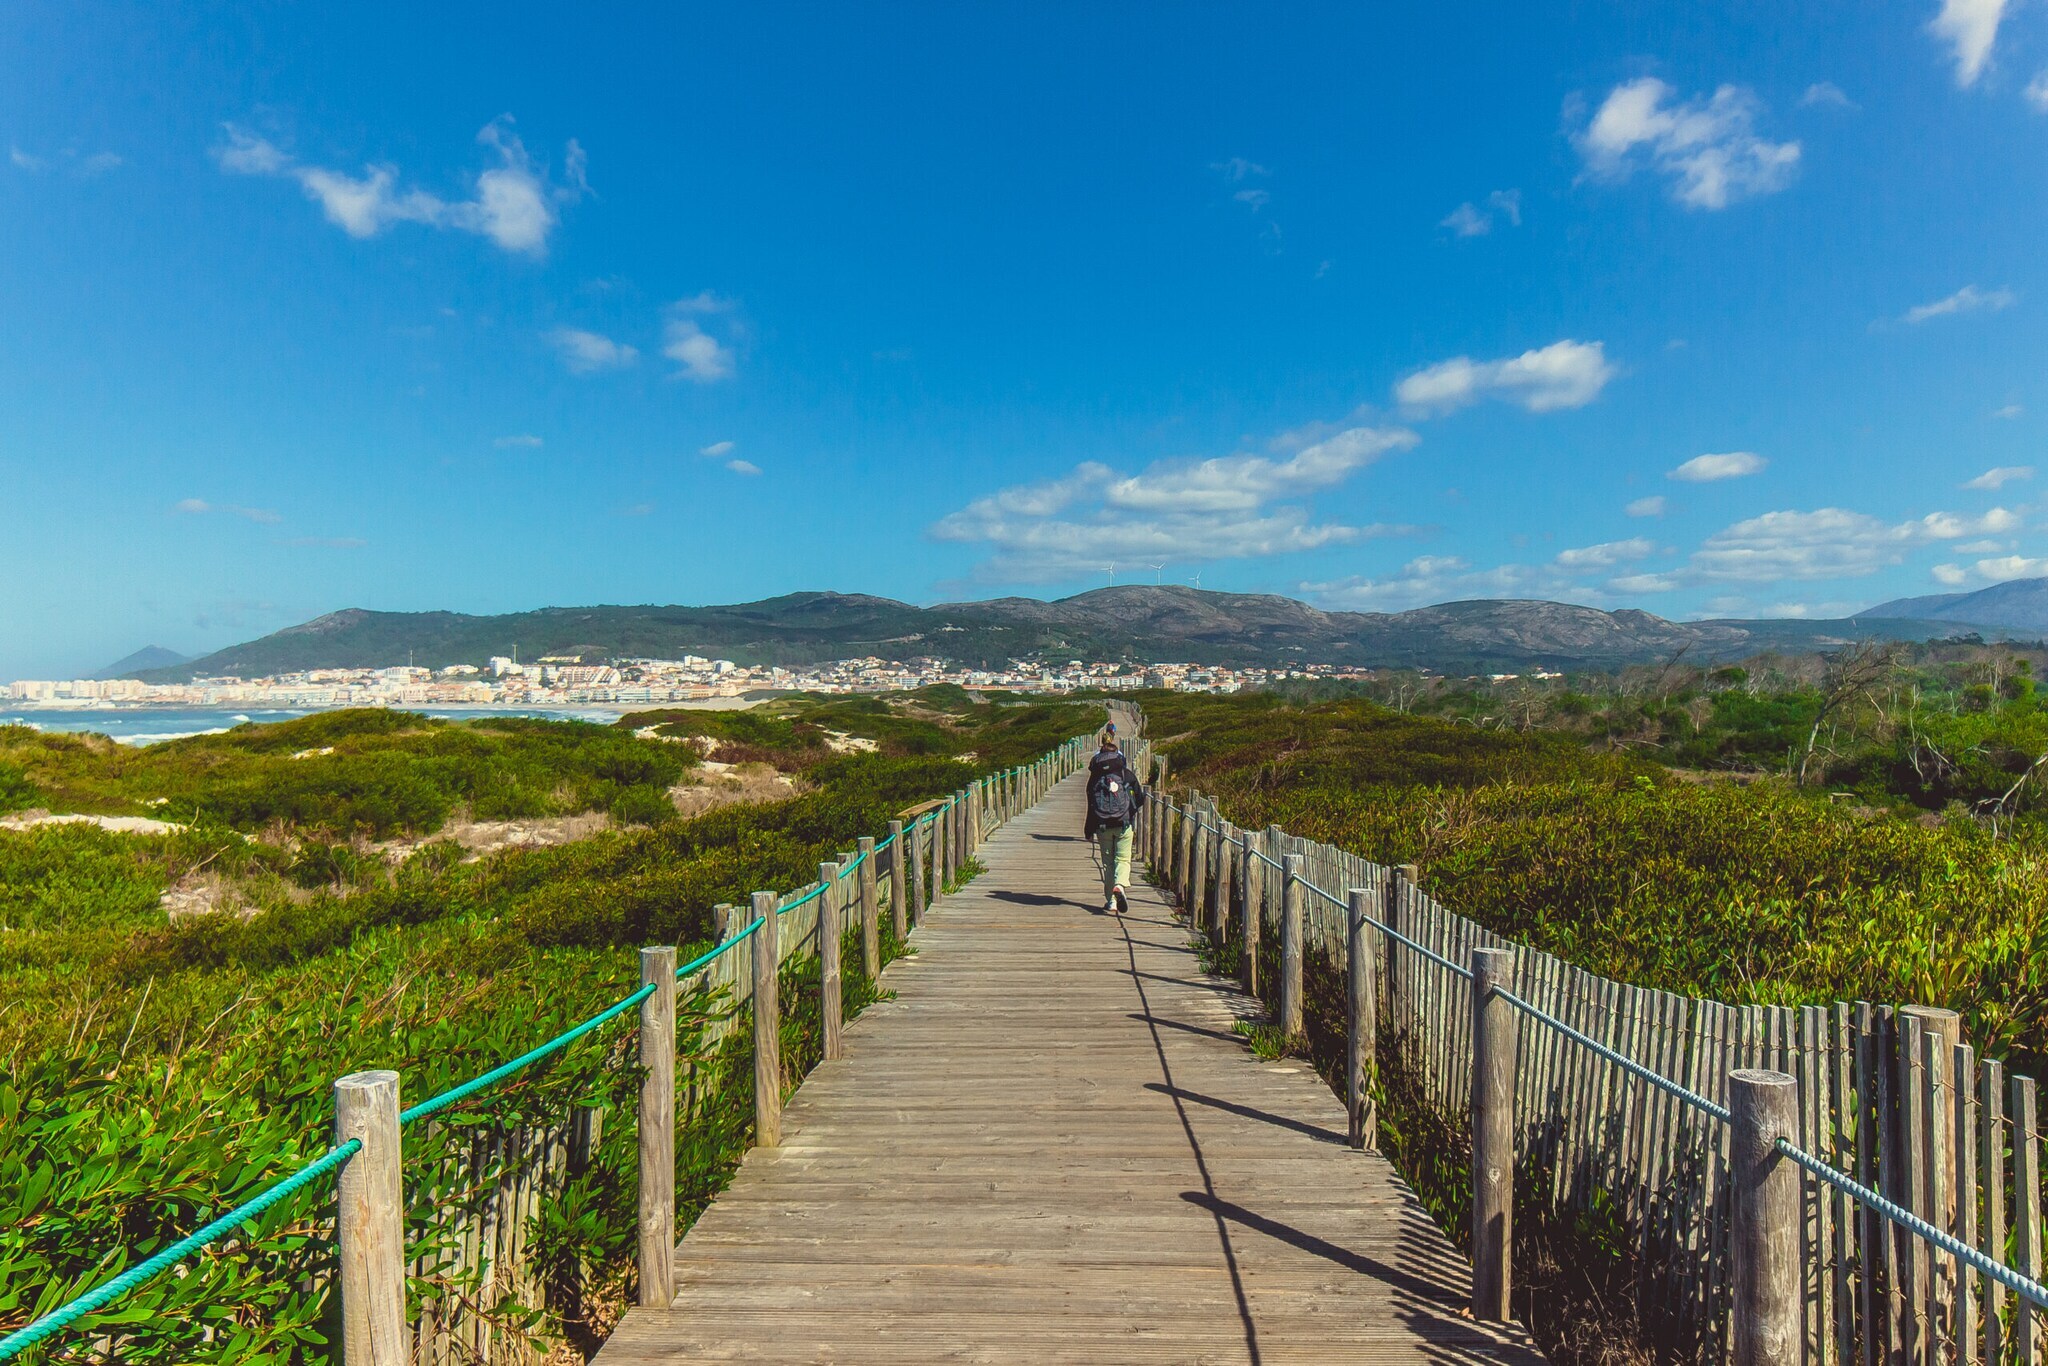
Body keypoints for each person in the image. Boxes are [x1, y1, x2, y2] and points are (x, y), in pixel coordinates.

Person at [1083, 732, 1146, 915]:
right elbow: (1140, 798)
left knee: (1108, 864)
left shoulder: (1094, 778)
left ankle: (1111, 902)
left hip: (1102, 825)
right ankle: (1120, 885)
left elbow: (1091, 805)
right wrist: (1131, 811)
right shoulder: (1125, 773)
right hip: (1124, 823)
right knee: (1123, 860)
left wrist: (1088, 830)